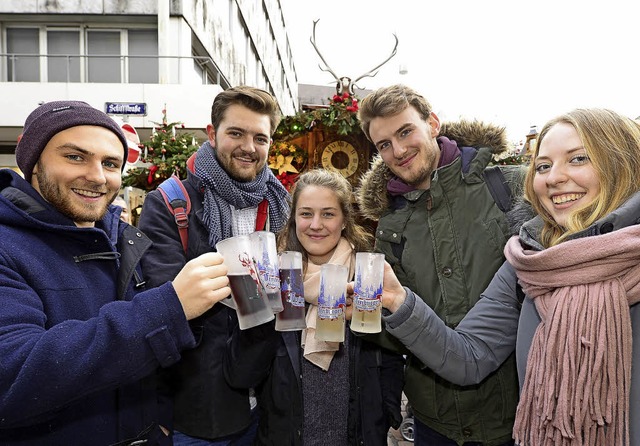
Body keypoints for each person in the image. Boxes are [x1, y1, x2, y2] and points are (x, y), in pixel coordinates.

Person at [376, 108, 640, 446]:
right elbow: (469, 356)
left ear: (622, 161)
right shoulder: (527, 262)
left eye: (578, 159)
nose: (554, 177)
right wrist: (399, 302)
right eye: (543, 166)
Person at [0, 100, 232, 444]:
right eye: (75, 157)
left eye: (110, 163)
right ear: (35, 163)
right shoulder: (8, 246)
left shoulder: (124, 239)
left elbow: (155, 357)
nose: (96, 176)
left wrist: (160, 423)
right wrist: (171, 306)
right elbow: (15, 377)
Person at [356, 84, 522, 446]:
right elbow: (394, 333)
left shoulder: (509, 186)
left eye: (405, 131)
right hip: (436, 424)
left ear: (432, 123)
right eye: (384, 144)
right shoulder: (390, 223)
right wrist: (365, 311)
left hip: (516, 415)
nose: (398, 151)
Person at [137, 86, 291, 445]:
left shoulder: (281, 204)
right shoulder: (171, 203)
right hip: (202, 408)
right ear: (212, 133)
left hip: (270, 399)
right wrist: (258, 287)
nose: (248, 147)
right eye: (236, 133)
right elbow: (166, 299)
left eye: (260, 138)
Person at [235, 169, 404, 445]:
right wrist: (261, 313)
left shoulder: (368, 274)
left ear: (344, 220)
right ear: (293, 220)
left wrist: (386, 413)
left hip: (357, 436)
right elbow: (242, 373)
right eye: (305, 213)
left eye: (328, 213)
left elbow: (391, 354)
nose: (316, 224)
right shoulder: (273, 276)